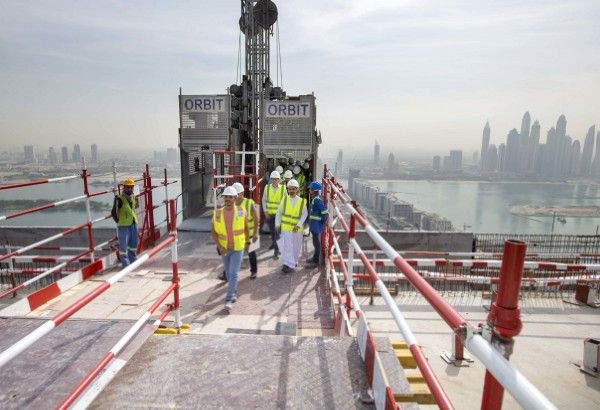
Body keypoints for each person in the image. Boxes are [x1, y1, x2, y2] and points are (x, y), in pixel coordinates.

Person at [212, 186, 248, 311]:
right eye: (226, 196)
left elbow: (246, 228)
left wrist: (248, 242)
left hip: (238, 248)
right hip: (224, 249)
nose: (227, 199)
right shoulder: (217, 213)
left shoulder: (241, 211)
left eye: (230, 197)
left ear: (235, 198)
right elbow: (214, 233)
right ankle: (234, 291)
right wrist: (220, 246)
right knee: (228, 273)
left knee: (233, 273)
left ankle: (228, 299)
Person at [275, 179, 307, 273]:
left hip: (297, 229)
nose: (291, 191)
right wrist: (277, 224)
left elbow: (304, 214)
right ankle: (287, 264)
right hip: (286, 229)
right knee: (287, 247)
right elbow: (279, 213)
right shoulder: (284, 200)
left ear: (297, 190)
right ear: (287, 189)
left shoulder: (301, 201)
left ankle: (294, 261)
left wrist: (298, 225)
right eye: (290, 189)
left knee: (296, 247)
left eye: (294, 189)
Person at [234, 182, 259, 278]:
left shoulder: (249, 203)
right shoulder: (231, 204)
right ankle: (226, 273)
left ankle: (254, 271)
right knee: (233, 254)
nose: (235, 196)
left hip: (250, 234)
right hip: (238, 235)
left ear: (242, 193)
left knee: (251, 253)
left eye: (237, 194)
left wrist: (256, 233)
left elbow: (256, 219)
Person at [113, 179, 138, 267]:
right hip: (124, 226)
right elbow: (114, 213)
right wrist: (120, 221)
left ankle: (133, 261)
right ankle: (126, 264)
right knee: (123, 247)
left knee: (133, 245)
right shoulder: (119, 199)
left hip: (133, 224)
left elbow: (134, 208)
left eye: (131, 187)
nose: (130, 189)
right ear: (124, 187)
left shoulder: (134, 197)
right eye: (128, 187)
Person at [262, 170, 285, 258]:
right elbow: (264, 200)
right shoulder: (267, 188)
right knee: (272, 232)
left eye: (276, 179)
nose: (275, 181)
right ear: (271, 179)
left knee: (277, 233)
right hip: (270, 214)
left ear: (279, 180)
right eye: (273, 179)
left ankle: (276, 251)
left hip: (279, 216)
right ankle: (274, 244)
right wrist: (265, 211)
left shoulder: (283, 188)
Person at [306, 181, 328, 267]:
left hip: (316, 226)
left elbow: (324, 213)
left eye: (310, 189)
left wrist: (321, 223)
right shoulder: (315, 199)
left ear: (314, 190)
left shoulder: (317, 200)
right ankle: (314, 258)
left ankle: (316, 261)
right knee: (315, 242)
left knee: (316, 243)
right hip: (314, 225)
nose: (309, 191)